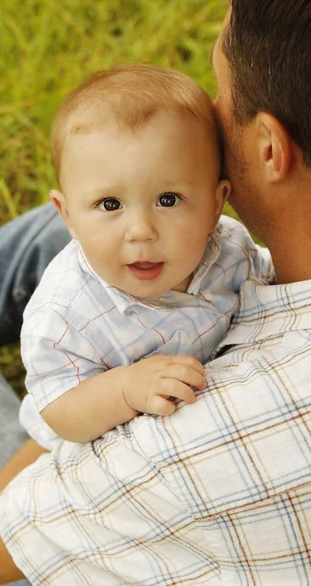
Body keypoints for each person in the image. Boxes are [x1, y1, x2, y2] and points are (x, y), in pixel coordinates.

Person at [0, 0, 310, 584]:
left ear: (269, 148)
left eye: (222, 98)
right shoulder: (79, 306)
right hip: (111, 314)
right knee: (125, 211)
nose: (141, 230)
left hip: (79, 484)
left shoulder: (191, 445)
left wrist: (118, 391)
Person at [18, 63, 272, 449]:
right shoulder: (62, 316)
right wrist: (124, 389)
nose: (141, 231)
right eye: (110, 203)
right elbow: (59, 408)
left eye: (167, 200)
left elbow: (274, 280)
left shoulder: (230, 248)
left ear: (216, 204)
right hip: (73, 445)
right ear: (67, 215)